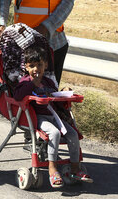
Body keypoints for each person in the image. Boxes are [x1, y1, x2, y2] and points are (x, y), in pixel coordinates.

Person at [14, 45, 92, 188]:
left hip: (54, 116)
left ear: (45, 65)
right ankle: (52, 168)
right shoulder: (25, 82)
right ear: (26, 67)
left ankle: (75, 168)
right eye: (32, 66)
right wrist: (32, 84)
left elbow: (55, 95)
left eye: (39, 65)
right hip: (38, 117)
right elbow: (18, 95)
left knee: (73, 134)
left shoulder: (48, 82)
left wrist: (64, 92)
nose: (36, 69)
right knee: (54, 133)